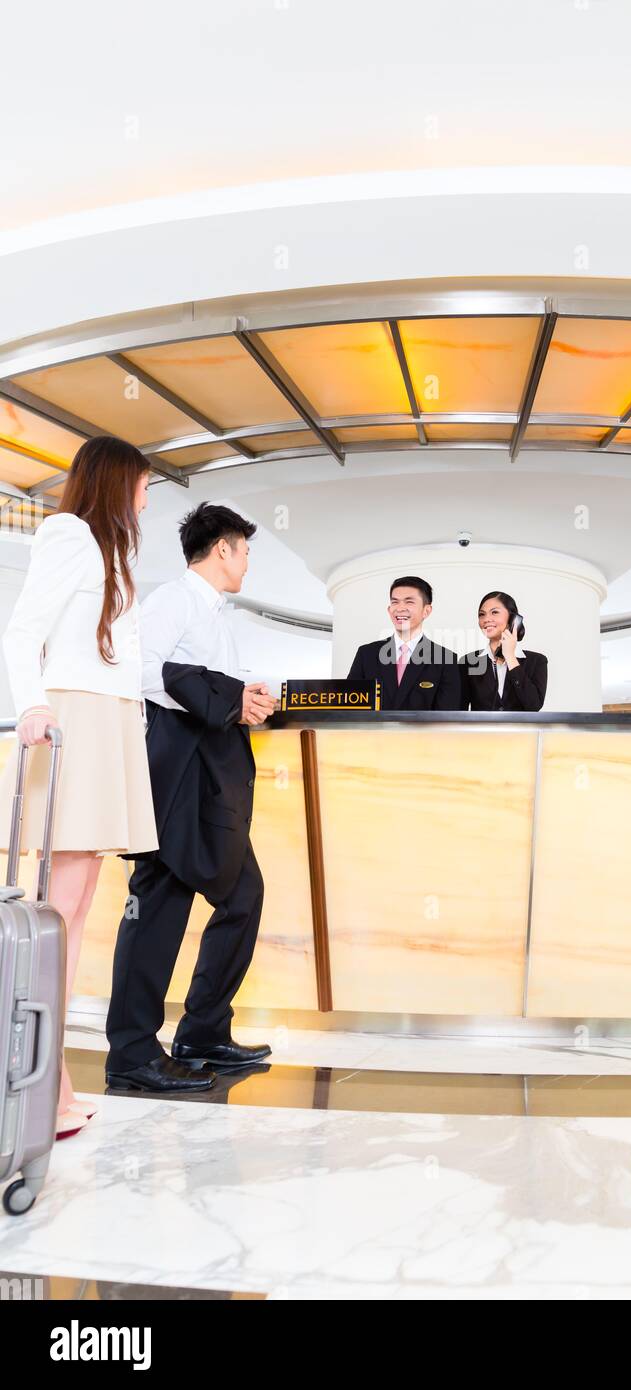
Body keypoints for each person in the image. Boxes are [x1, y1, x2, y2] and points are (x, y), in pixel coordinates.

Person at [0, 435, 158, 1139]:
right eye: (143, 485)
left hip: (110, 721)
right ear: (117, 482)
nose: (148, 498)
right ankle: (40, 1086)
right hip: (74, 719)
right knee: (60, 913)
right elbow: (22, 629)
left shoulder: (116, 554)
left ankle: (50, 1082)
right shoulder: (69, 534)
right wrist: (31, 703)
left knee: (80, 906)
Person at [105, 503, 276, 1093]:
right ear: (223, 549)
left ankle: (202, 1032)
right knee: (159, 904)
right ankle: (130, 1052)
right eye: (245, 550)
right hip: (176, 776)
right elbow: (143, 671)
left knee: (243, 896)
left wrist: (244, 702)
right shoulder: (171, 601)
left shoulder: (215, 614)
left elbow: (206, 685)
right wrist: (229, 696)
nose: (248, 562)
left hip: (212, 779)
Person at [347, 575, 461, 711]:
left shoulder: (445, 660)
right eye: (395, 602)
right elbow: (349, 707)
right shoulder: (366, 654)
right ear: (389, 610)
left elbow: (446, 717)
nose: (400, 608)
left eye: (409, 602)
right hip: (374, 733)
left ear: (426, 611)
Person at [459, 591, 548, 711]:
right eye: (481, 614)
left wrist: (510, 657)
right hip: (482, 730)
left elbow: (534, 705)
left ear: (513, 619)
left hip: (521, 730)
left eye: (494, 612)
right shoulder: (468, 661)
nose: (486, 619)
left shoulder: (537, 661)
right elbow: (459, 710)